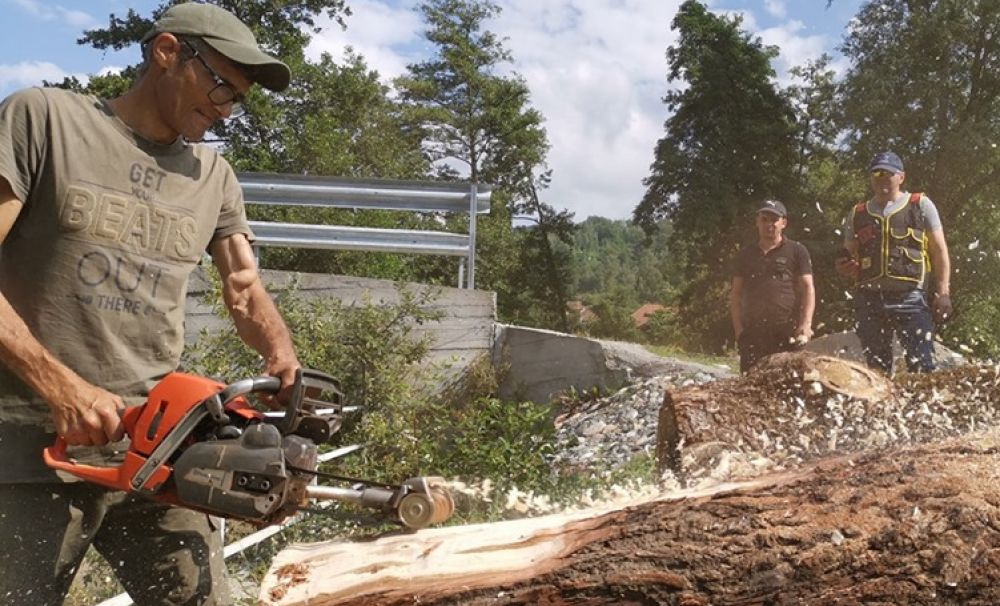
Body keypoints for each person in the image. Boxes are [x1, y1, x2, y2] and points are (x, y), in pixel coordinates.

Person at [0, 4, 300, 604]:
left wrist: (281, 353)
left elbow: (243, 286)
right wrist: (62, 388)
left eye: (236, 99)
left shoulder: (214, 176)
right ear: (166, 52)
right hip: (31, 450)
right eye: (219, 85)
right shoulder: (44, 119)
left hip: (161, 447)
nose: (224, 109)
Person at [835, 151, 951, 375]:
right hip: (869, 298)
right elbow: (847, 256)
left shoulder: (920, 205)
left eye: (888, 173)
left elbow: (939, 251)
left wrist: (943, 292)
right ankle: (880, 408)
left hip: (910, 297)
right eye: (877, 173)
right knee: (875, 368)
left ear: (901, 177)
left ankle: (923, 406)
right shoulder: (858, 213)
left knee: (922, 365)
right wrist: (844, 267)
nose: (882, 178)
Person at [729, 200, 816, 374]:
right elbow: (735, 295)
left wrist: (805, 324)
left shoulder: (797, 251)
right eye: (764, 219)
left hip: (786, 333)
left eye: (774, 220)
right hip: (753, 333)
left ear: (783, 223)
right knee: (749, 388)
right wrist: (739, 331)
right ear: (757, 222)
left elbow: (808, 289)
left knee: (787, 387)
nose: (769, 224)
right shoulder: (745, 255)